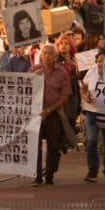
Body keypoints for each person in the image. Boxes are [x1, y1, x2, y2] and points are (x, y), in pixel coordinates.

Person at [31, 43, 71, 186]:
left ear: (55, 56)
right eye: (44, 53)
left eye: (49, 53)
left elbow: (65, 97)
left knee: (53, 146)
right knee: (35, 145)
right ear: (41, 55)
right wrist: (34, 79)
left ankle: (49, 176)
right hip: (36, 114)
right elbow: (25, 90)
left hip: (53, 113)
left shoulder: (62, 73)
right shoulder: (34, 70)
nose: (46, 56)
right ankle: (37, 177)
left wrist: (49, 110)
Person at [81, 50, 105, 183]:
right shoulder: (91, 72)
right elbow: (84, 87)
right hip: (92, 111)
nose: (100, 64)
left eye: (104, 61)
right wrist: (85, 97)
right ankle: (92, 172)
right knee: (91, 142)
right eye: (98, 61)